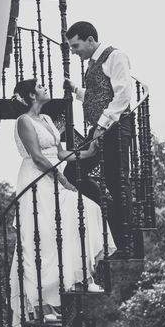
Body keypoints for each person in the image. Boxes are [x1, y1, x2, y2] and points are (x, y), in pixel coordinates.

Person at [9, 78, 115, 327]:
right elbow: (37, 156)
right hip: (36, 178)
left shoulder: (45, 119)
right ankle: (40, 304)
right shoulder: (24, 121)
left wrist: (86, 153)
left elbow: (58, 153)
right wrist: (64, 180)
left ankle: (82, 278)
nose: (46, 89)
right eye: (41, 87)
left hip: (52, 175)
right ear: (32, 95)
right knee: (41, 238)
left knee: (85, 212)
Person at [63, 21, 133, 259]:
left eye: (75, 45)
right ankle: (109, 209)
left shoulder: (116, 56)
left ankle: (125, 242)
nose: (73, 51)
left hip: (116, 127)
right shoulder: (93, 63)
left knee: (117, 180)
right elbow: (98, 95)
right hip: (102, 128)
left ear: (90, 40)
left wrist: (101, 126)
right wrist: (75, 90)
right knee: (73, 172)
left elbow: (122, 95)